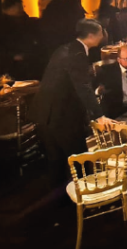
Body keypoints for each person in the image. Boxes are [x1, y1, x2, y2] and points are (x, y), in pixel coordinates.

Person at [30, 19, 116, 185]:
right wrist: (99, 115)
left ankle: (63, 197)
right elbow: (82, 86)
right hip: (61, 115)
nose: (103, 35)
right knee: (78, 159)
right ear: (91, 35)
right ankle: (86, 193)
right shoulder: (77, 54)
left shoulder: (65, 48)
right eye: (101, 32)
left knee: (56, 161)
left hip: (44, 112)